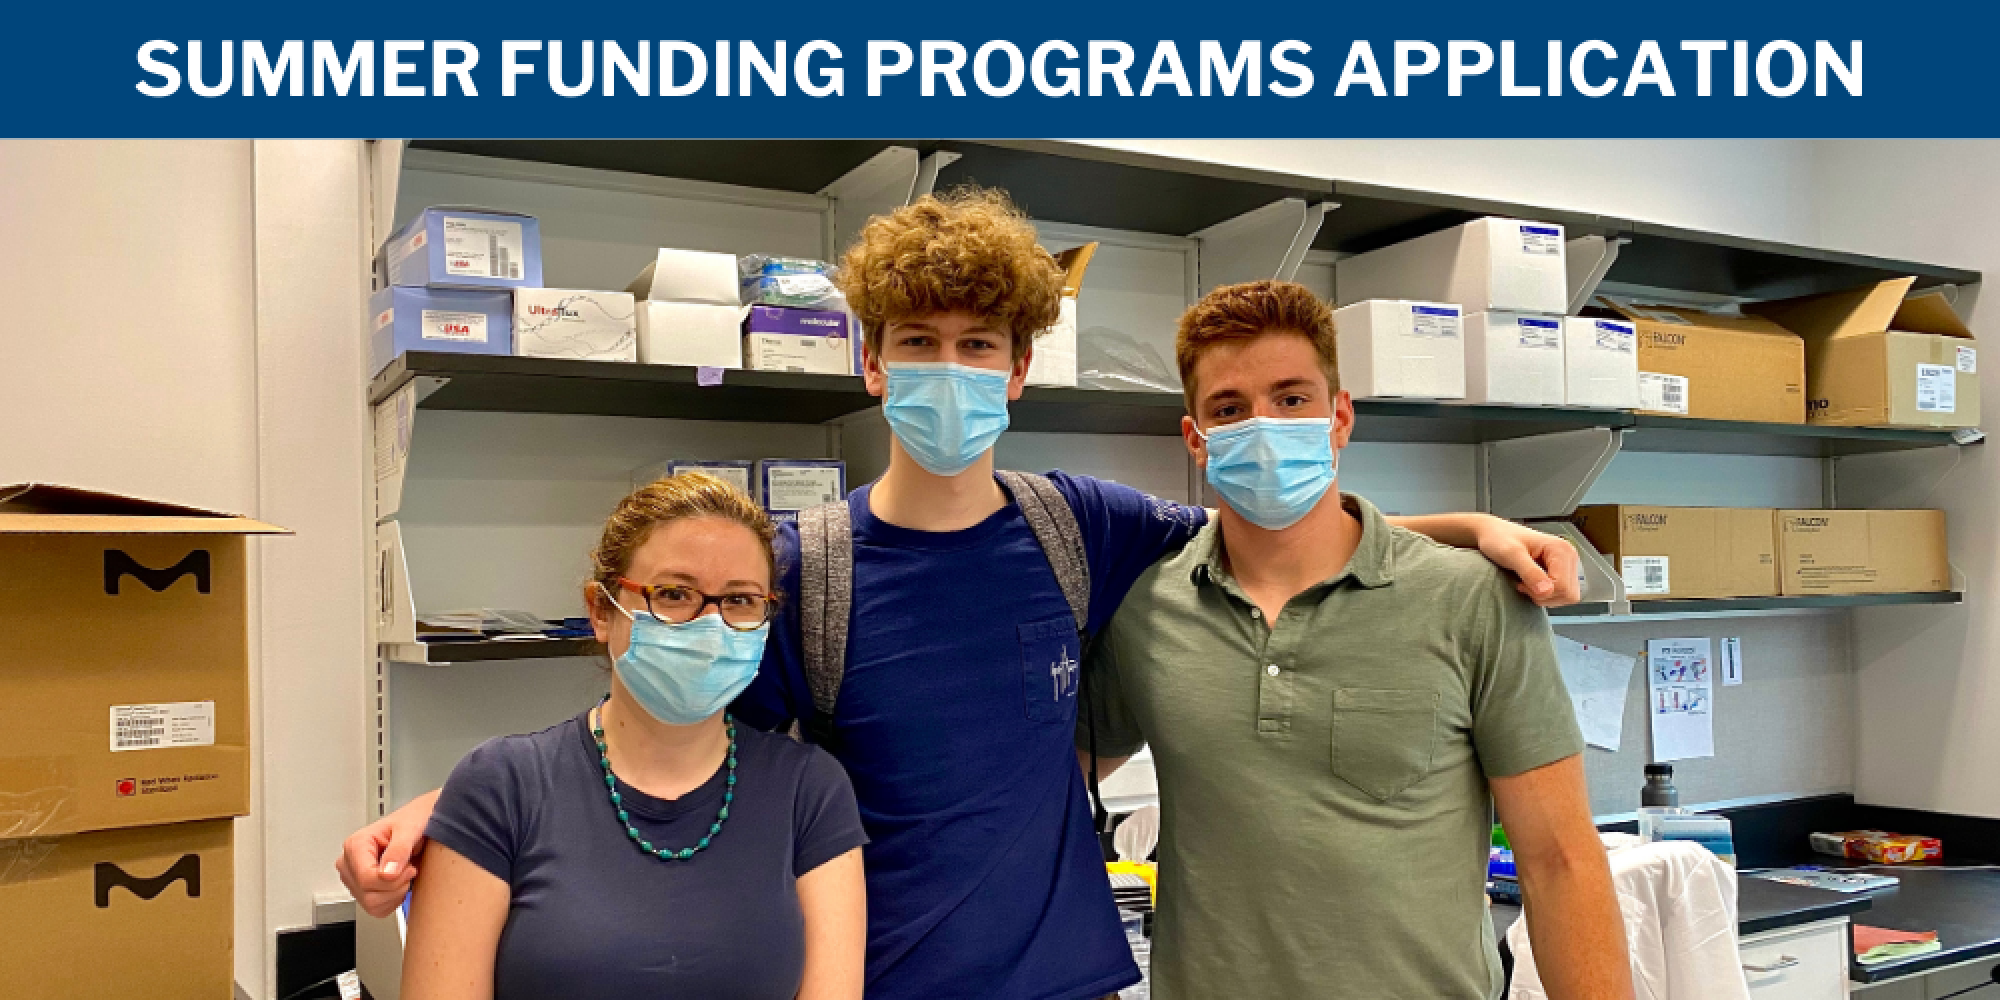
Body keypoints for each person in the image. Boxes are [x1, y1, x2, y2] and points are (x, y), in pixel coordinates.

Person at [344, 189, 1584, 1000]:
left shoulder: (1078, 525)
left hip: (1067, 980)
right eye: (919, 344)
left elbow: (1273, 530)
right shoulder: (801, 570)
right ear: (871, 364)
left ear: (1020, 367)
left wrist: (1468, 526)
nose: (949, 370)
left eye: (977, 345)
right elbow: (660, 722)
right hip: (871, 979)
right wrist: (454, 802)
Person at [1080, 280, 1631, 1000]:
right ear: (1196, 440)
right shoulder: (1146, 608)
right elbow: (1052, 774)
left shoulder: (1472, 600)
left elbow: (1560, 860)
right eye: (1229, 409)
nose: (1265, 426)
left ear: (1340, 417)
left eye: (1292, 398)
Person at [400, 474, 867, 1000]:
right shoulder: (498, 789)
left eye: (740, 600)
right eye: (673, 593)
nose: (710, 623)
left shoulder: (808, 791)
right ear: (602, 610)